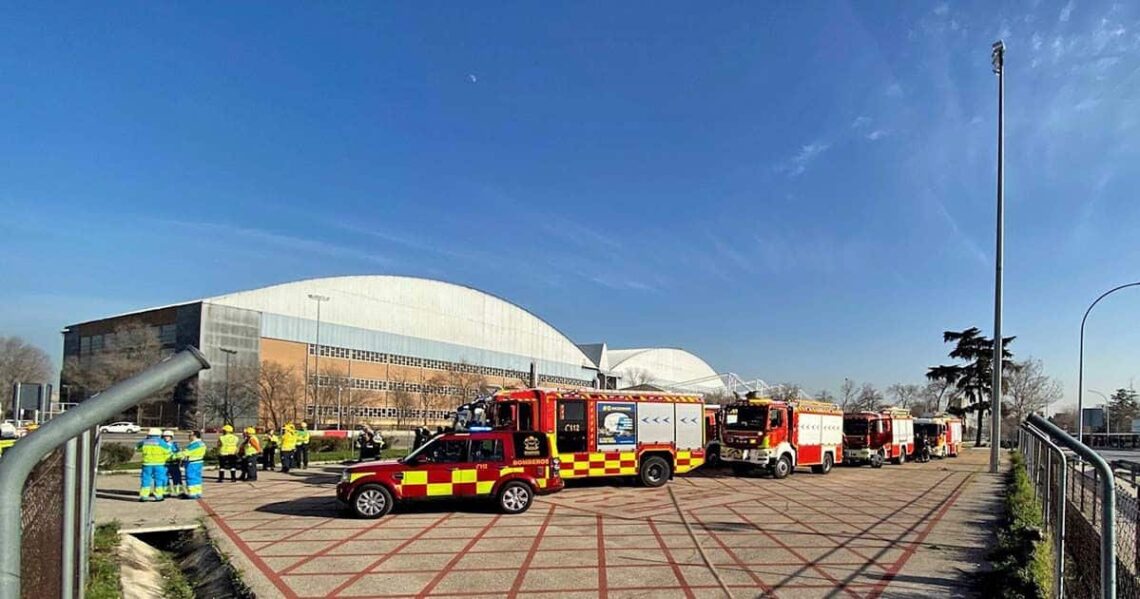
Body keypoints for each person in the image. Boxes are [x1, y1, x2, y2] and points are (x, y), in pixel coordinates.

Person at [137, 428, 172, 502]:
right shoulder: (162, 443)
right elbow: (168, 452)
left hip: (147, 464)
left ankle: (144, 496)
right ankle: (158, 496)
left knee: (145, 480)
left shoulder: (144, 442)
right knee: (159, 480)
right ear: (159, 435)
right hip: (159, 464)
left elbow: (137, 448)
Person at [179, 430, 207, 499]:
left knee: (191, 478)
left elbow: (185, 453)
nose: (189, 436)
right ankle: (197, 492)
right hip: (198, 462)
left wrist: (175, 455)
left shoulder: (194, 444)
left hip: (192, 463)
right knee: (197, 478)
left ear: (194, 436)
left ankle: (192, 493)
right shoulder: (201, 443)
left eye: (190, 435)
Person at [162, 430, 183, 496]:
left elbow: (179, 453)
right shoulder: (161, 445)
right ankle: (166, 492)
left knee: (177, 479)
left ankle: (179, 492)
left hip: (174, 464)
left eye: (168, 436)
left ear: (171, 437)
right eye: (165, 436)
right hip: (165, 464)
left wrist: (180, 462)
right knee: (165, 479)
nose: (166, 438)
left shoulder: (175, 445)